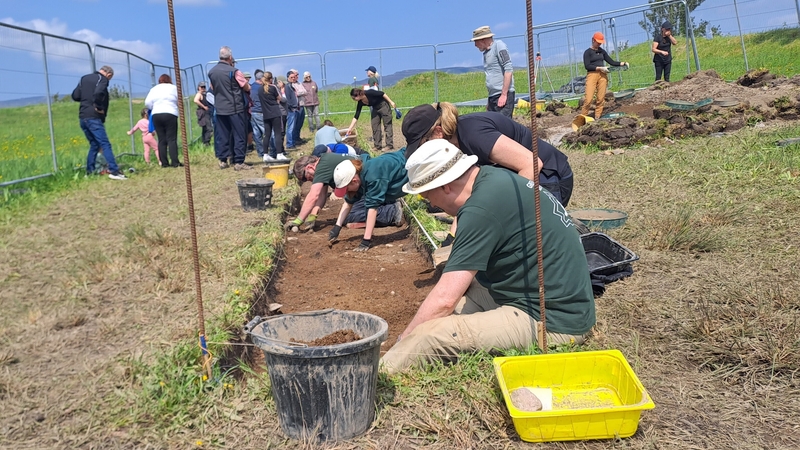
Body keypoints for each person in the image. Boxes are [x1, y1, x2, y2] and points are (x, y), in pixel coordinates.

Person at [380, 139, 595, 374]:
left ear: (445, 186)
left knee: (430, 336)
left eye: (425, 195)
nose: (429, 202)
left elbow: (444, 300)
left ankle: (379, 376)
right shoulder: (492, 178)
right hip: (542, 294)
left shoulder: (480, 209)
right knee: (445, 310)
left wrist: (404, 338)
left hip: (553, 319)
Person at [403, 102, 575, 247]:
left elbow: (531, 164)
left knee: (524, 241)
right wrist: (453, 238)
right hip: (520, 179)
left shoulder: (473, 134)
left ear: (438, 132)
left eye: (422, 145)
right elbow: (471, 195)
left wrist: (502, 212)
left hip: (549, 178)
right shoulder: (453, 149)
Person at [287, 153, 402, 232]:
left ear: (310, 167)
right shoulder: (324, 163)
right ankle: (387, 202)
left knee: (351, 217)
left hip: (363, 183)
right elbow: (321, 196)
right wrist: (313, 215)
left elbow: (313, 195)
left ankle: (391, 212)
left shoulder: (321, 167)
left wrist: (299, 220)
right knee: (347, 215)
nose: (308, 181)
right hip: (361, 184)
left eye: (305, 177)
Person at [328, 150, 408, 251]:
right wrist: (337, 227)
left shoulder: (373, 176)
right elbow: (348, 202)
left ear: (354, 181)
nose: (347, 192)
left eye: (347, 188)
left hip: (412, 166)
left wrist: (366, 241)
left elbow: (372, 208)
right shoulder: (359, 172)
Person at [71, 65, 126, 180]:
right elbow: (98, 92)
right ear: (109, 74)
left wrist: (86, 98)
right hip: (94, 117)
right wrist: (98, 106)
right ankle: (114, 171)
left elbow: (75, 96)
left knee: (94, 145)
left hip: (83, 116)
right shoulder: (102, 79)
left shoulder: (84, 78)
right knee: (105, 144)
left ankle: (90, 172)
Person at [207, 46, 252, 171]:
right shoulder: (234, 71)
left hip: (220, 107)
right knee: (239, 134)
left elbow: (213, 87)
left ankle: (222, 160)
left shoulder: (212, 72)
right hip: (235, 107)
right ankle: (238, 161)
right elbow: (246, 87)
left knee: (222, 134)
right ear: (230, 57)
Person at [581, 32, 628, 120]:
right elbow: (587, 66)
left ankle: (597, 117)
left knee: (601, 98)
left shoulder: (602, 51)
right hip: (592, 75)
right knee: (588, 99)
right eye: (598, 42)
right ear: (593, 40)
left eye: (600, 42)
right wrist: (600, 68)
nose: (599, 44)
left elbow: (611, 62)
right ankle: (582, 117)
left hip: (602, 75)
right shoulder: (587, 52)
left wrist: (623, 63)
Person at [471, 26, 515, 118]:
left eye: (476, 41)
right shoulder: (486, 53)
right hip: (493, 96)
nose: (475, 45)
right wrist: (489, 101)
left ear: (483, 40)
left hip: (502, 95)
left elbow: (508, 69)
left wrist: (503, 94)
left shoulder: (499, 46)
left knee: (503, 125)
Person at [145, 74, 181, 168]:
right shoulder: (173, 88)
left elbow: (147, 103)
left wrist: (154, 107)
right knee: (171, 139)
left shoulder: (154, 89)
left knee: (161, 139)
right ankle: (175, 162)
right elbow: (179, 100)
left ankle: (164, 163)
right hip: (170, 113)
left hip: (157, 114)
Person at [345, 88, 397, 152]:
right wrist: (350, 128)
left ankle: (389, 145)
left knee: (387, 125)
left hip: (383, 105)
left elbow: (382, 93)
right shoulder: (360, 102)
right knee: (375, 125)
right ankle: (377, 146)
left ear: (358, 95)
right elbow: (356, 116)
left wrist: (391, 102)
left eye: (353, 98)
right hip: (375, 108)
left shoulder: (369, 93)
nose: (353, 100)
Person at [257, 71, 290, 162]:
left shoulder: (259, 89)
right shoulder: (273, 87)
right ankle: (279, 153)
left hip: (266, 114)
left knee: (266, 135)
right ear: (271, 79)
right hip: (275, 113)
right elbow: (280, 98)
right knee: (278, 134)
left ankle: (265, 154)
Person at [249, 69, 266, 159]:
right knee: (267, 132)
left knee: (256, 134)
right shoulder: (262, 88)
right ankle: (270, 151)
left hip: (252, 112)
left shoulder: (250, 87)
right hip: (260, 111)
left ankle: (261, 152)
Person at [289, 69, 307, 145]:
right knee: (295, 124)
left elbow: (305, 91)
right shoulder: (290, 85)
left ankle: (298, 137)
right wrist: (300, 92)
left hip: (302, 105)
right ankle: (294, 139)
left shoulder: (299, 83)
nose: (297, 76)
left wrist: (299, 92)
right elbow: (295, 93)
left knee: (300, 123)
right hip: (296, 107)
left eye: (297, 75)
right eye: (295, 75)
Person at [284, 71, 300, 149]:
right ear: (288, 78)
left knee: (293, 127)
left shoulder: (291, 86)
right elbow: (287, 99)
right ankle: (289, 144)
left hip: (295, 108)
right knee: (290, 127)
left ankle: (292, 142)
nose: (293, 78)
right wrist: (292, 107)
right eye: (291, 77)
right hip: (291, 110)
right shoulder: (287, 86)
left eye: (294, 77)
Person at [193, 81, 213, 146]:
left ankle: (205, 142)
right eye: (202, 87)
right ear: (198, 88)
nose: (203, 88)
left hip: (206, 113)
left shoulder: (204, 94)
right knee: (208, 128)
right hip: (203, 113)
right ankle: (206, 142)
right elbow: (195, 100)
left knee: (205, 128)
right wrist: (204, 106)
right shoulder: (199, 94)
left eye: (204, 87)